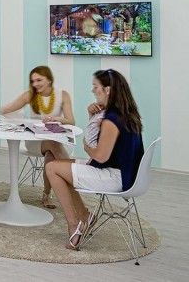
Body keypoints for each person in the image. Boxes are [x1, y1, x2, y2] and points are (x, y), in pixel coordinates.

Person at [45, 69, 144, 249]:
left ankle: (74, 226)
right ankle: (85, 215)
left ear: (107, 90)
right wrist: (92, 116)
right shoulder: (125, 113)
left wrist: (86, 146)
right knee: (58, 167)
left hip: (114, 177)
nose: (93, 90)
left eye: (95, 86)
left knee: (52, 168)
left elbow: (100, 155)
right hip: (124, 174)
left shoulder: (111, 120)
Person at [1, 65, 74, 209]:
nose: (35, 84)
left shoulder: (63, 95)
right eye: (33, 81)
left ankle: (47, 194)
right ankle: (73, 183)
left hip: (58, 139)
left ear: (49, 80)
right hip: (35, 141)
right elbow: (5, 110)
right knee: (53, 145)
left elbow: (71, 122)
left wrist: (57, 119)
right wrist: (21, 119)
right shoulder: (30, 95)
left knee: (51, 152)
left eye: (39, 80)